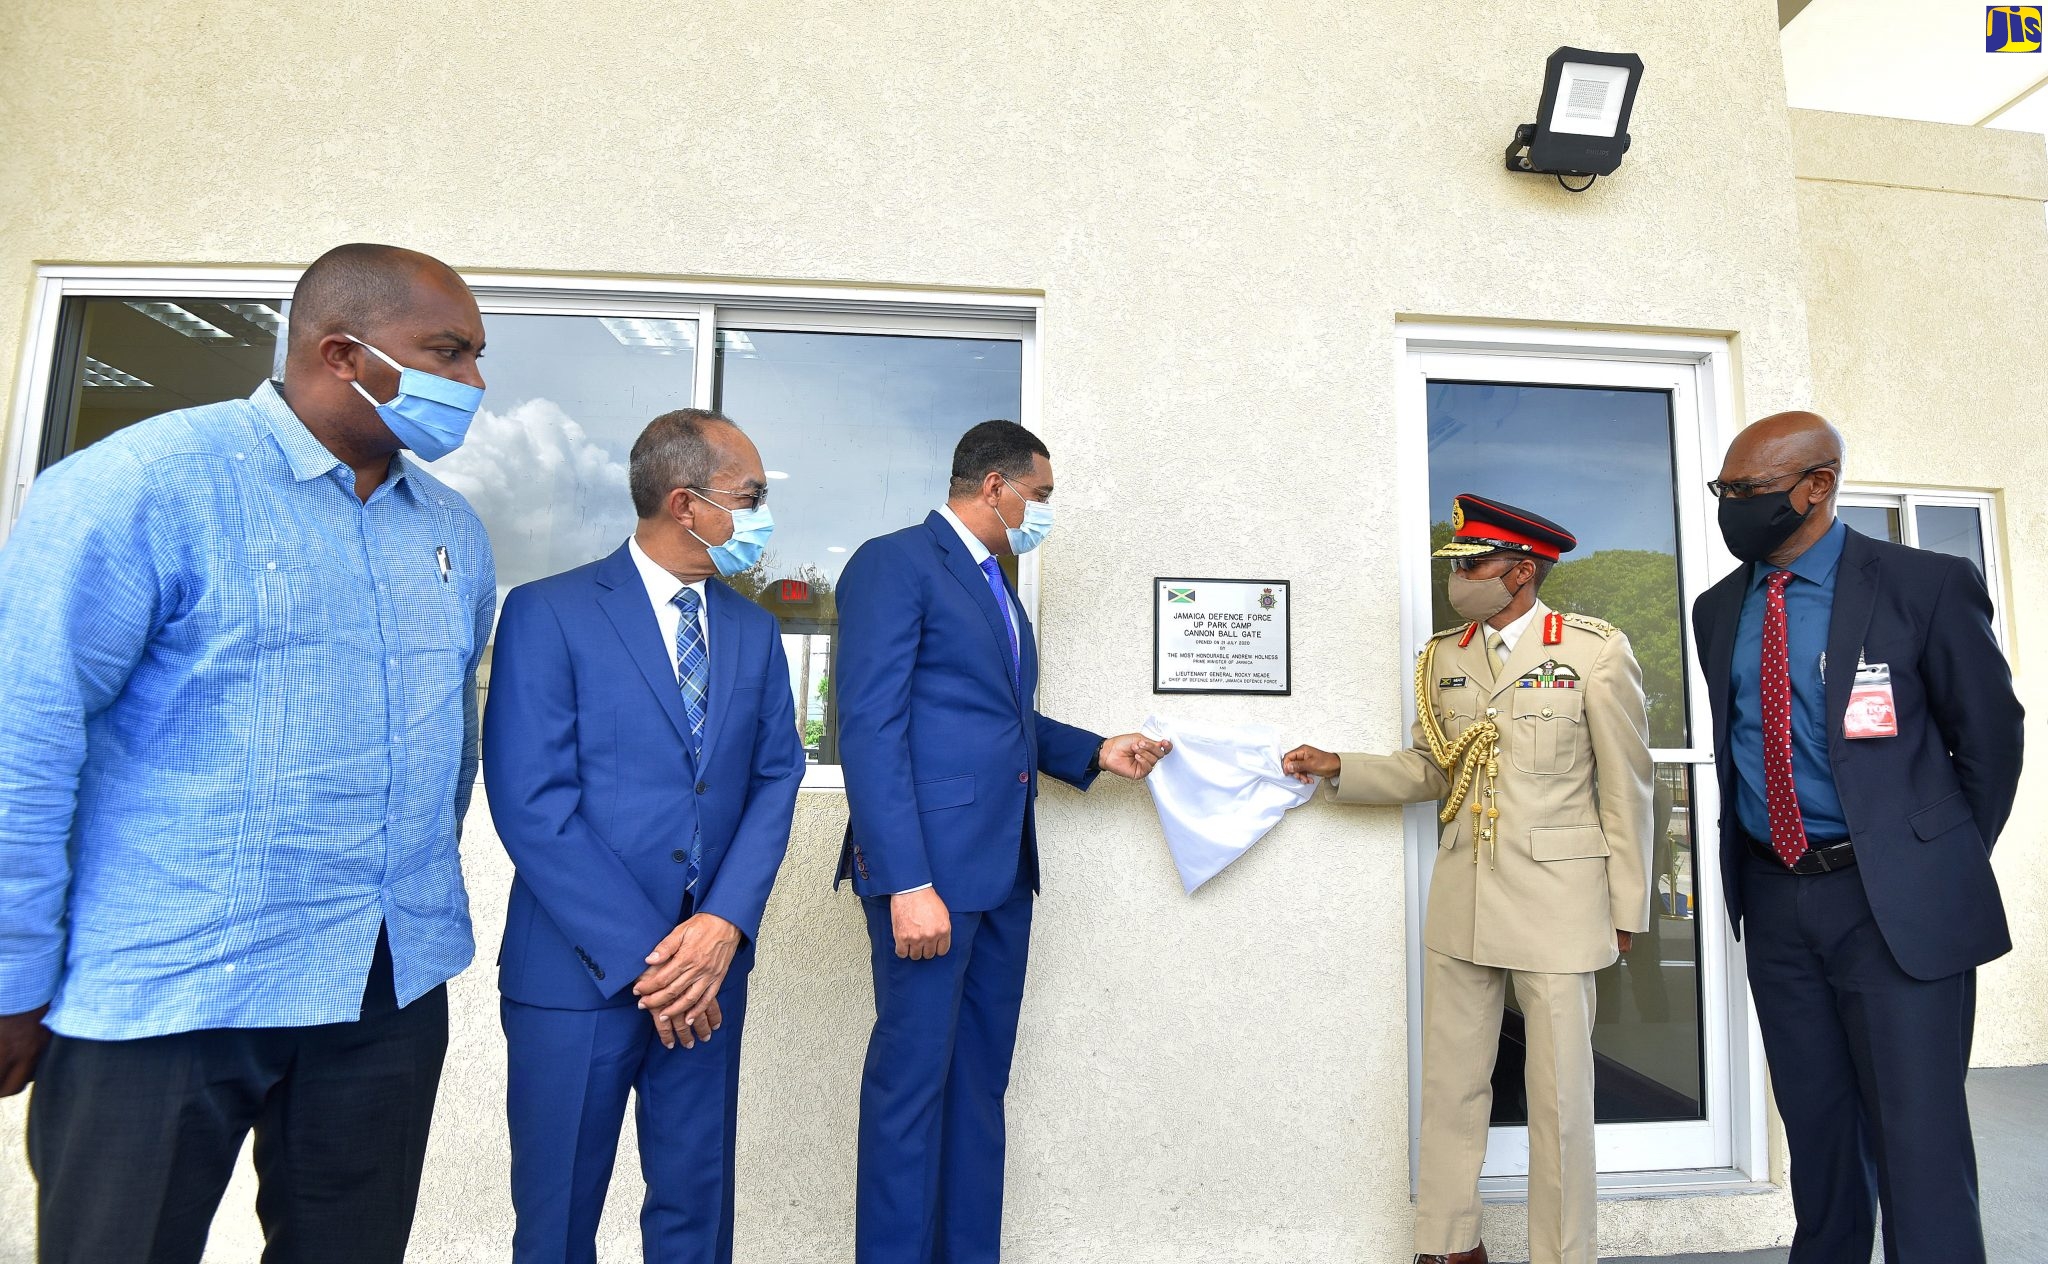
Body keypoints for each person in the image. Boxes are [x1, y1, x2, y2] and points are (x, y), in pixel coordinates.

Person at [0, 243, 495, 1263]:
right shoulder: (138, 488)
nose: (473, 385)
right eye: (448, 353)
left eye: (477, 358)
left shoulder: (450, 528)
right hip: (168, 990)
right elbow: (24, 739)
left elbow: (451, 742)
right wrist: (10, 975)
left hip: (381, 987)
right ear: (341, 353)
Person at [1283, 494, 1652, 1264]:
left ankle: (1563, 1253)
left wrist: (1627, 905)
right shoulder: (1444, 656)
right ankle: (1449, 1244)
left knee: (1557, 1098)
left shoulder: (1592, 650)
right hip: (1463, 894)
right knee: (1450, 1083)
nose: (1460, 578)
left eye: (1474, 564)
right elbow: (1431, 767)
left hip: (1559, 900)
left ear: (1522, 571)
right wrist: (1340, 767)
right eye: (1457, 564)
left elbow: (1628, 787)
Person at [834, 419, 1170, 1264]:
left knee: (978, 1090)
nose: (1043, 513)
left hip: (1001, 873)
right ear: (994, 486)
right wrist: (905, 880)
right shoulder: (896, 563)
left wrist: (1092, 750)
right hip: (930, 883)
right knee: (910, 1093)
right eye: (1041, 496)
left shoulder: (997, 585)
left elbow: (998, 719)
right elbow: (870, 729)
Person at [1694, 412, 2021, 1264]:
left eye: (1748, 492)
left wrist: (1920, 861)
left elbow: (1990, 741)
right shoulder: (1718, 609)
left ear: (1817, 485)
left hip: (1893, 908)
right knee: (1820, 1138)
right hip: (1776, 902)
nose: (1732, 508)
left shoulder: (1926, 584)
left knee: (1921, 1146)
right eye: (1723, 492)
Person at [484, 406, 803, 1263]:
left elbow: (778, 777)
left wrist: (721, 927)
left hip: (712, 971)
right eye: (752, 495)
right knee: (556, 1223)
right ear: (685, 503)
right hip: (579, 977)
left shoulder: (754, 630)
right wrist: (656, 963)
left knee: (695, 1221)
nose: (764, 514)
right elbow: (531, 803)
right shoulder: (548, 614)